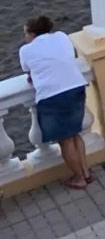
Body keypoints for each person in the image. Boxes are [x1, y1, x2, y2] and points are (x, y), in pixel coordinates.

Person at [19, 16, 92, 189]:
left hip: (53, 95)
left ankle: (78, 178)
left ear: (31, 34)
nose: (25, 38)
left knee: (65, 140)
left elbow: (26, 68)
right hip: (76, 87)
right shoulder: (62, 36)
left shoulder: (26, 50)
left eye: (26, 33)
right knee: (75, 134)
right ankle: (86, 173)